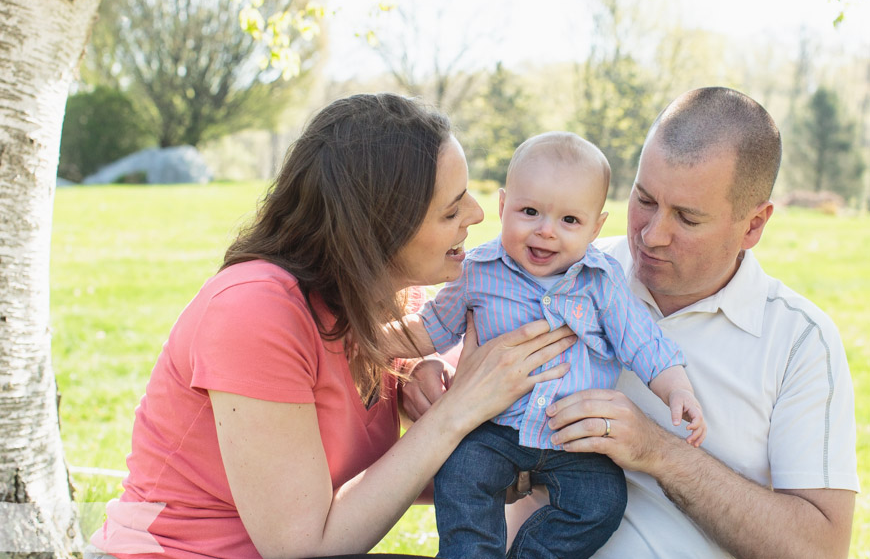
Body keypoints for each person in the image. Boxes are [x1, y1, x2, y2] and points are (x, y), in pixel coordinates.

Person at [86, 93, 578, 559]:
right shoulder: (256, 312)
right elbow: (303, 546)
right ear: (379, 231)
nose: (475, 214)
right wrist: (458, 412)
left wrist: (499, 452)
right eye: (451, 209)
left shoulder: (393, 299)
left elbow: (391, 475)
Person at [490, 87, 857, 557]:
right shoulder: (560, 274)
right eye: (644, 199)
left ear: (753, 225)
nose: (651, 234)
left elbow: (821, 550)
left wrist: (659, 452)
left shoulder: (800, 342)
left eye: (686, 218)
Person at [383, 132, 705, 558]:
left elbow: (643, 344)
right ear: (503, 207)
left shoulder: (602, 282)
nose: (545, 231)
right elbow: (432, 326)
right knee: (460, 476)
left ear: (595, 227)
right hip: (493, 428)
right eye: (529, 211)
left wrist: (677, 389)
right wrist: (375, 340)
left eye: (569, 221)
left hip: (572, 437)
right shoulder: (480, 270)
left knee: (600, 502)